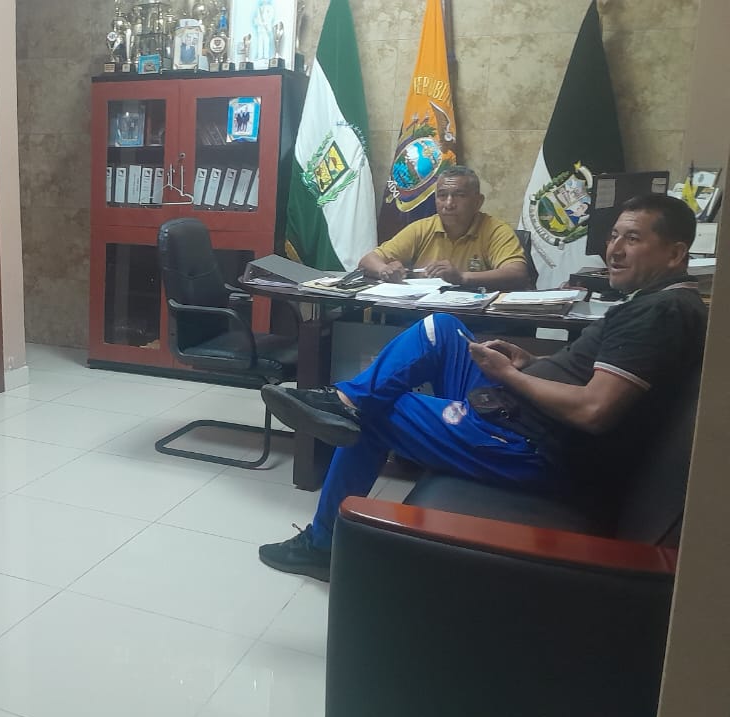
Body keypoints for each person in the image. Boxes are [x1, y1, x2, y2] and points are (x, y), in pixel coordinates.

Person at [257, 194, 706, 581]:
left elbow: (595, 409)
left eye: (633, 239)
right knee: (442, 328)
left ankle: (322, 545)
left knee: (380, 412)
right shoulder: (666, 303)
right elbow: (593, 379)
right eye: (613, 237)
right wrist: (532, 363)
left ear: (675, 253)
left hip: (532, 445)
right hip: (526, 415)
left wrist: (511, 377)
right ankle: (344, 400)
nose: (615, 250)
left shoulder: (657, 313)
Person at [359, 166, 530, 291]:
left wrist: (462, 277)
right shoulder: (422, 228)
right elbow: (368, 260)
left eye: (459, 195)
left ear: (478, 202)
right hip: (425, 312)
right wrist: (384, 270)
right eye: (442, 196)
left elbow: (517, 273)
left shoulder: (496, 230)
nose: (448, 204)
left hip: (477, 319)